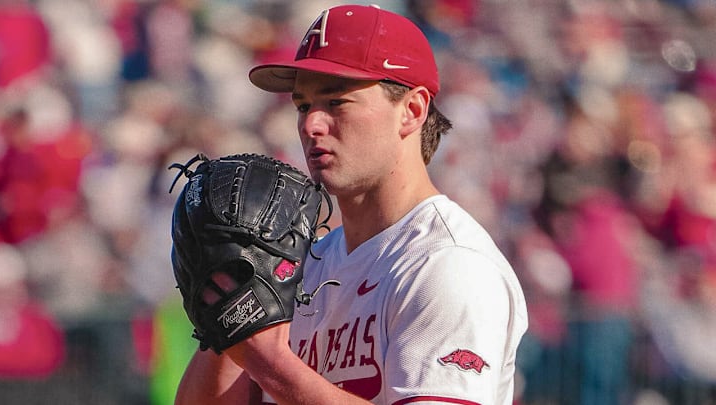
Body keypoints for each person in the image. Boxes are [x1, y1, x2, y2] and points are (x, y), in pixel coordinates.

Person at [175, 4, 527, 405]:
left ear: (411, 111)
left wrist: (271, 363)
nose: (311, 125)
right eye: (303, 105)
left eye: (336, 101)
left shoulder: (446, 264)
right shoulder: (299, 265)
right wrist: (227, 306)